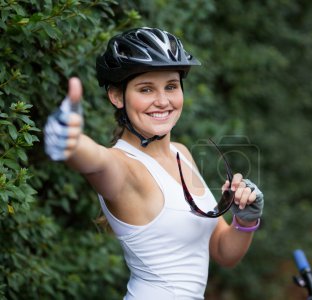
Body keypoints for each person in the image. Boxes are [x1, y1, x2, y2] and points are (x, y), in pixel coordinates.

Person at [44, 27, 263, 300]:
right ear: (116, 96)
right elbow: (97, 161)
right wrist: (71, 143)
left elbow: (222, 252)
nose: (162, 101)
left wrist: (245, 220)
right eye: (146, 89)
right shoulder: (124, 167)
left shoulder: (181, 153)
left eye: (171, 86)